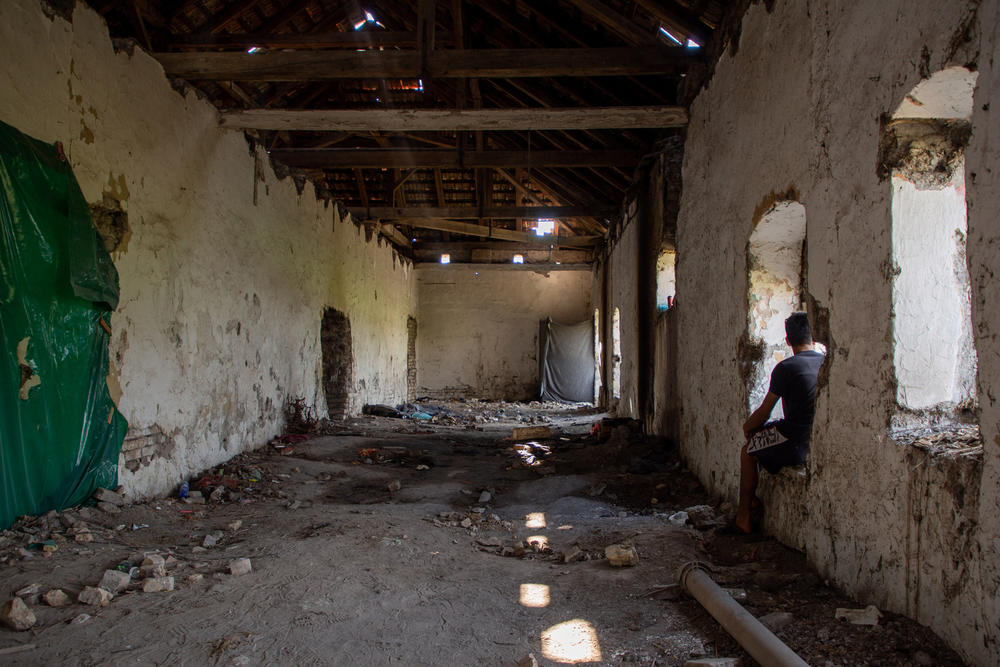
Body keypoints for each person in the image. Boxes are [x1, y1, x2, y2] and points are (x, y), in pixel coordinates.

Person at [734, 311, 824, 534]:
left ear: (787, 341)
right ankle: (750, 501)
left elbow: (765, 412)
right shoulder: (824, 363)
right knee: (757, 441)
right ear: (813, 338)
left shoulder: (786, 368)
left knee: (748, 451)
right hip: (817, 440)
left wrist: (747, 428)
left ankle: (743, 516)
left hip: (794, 439)